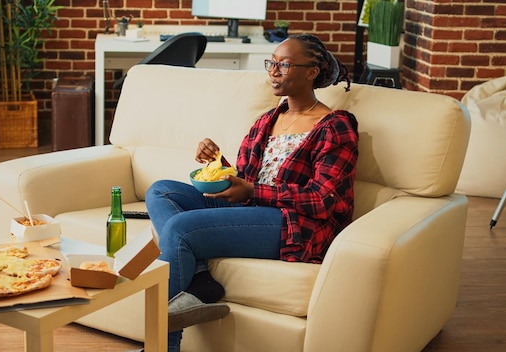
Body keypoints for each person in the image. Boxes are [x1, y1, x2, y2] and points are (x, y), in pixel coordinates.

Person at [144, 33, 359, 352]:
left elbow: (323, 199)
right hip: (251, 205)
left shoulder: (335, 126)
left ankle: (162, 346)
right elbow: (244, 179)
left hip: (292, 224)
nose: (273, 70)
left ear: (311, 72)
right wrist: (217, 162)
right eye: (271, 63)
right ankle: (202, 281)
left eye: (284, 65)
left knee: (179, 229)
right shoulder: (267, 120)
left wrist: (253, 190)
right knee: (161, 191)